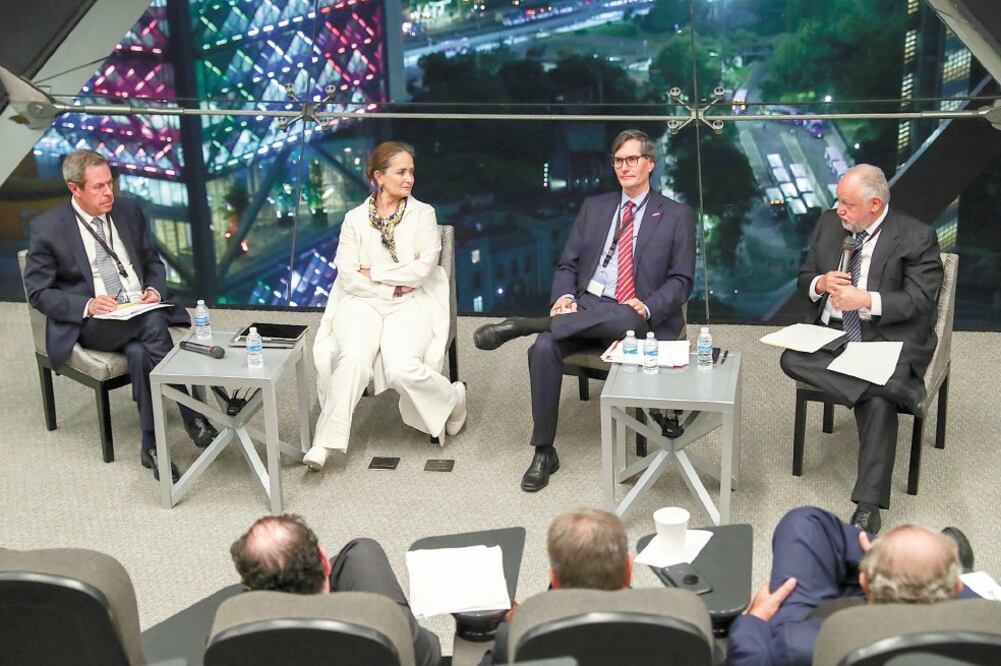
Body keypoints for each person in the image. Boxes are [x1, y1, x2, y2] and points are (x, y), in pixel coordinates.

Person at [473, 129, 695, 492]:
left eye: (632, 160)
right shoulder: (595, 207)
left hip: (640, 311)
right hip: (590, 304)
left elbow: (681, 281)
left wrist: (649, 304)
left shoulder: (675, 214)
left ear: (650, 163)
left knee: (626, 316)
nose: (624, 167)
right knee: (543, 348)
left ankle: (526, 324)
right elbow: (568, 266)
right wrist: (563, 298)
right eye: (618, 161)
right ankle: (544, 450)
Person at [23, 149, 217, 481]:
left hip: (141, 306)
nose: (108, 192)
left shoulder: (128, 210)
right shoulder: (48, 228)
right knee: (153, 325)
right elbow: (40, 293)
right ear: (75, 189)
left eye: (110, 183)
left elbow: (152, 260)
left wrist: (154, 290)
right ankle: (193, 416)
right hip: (94, 320)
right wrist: (87, 305)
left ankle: (151, 446)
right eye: (98, 187)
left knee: (142, 351)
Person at [780, 164, 943, 534]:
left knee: (877, 401)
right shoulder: (829, 224)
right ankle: (899, 389)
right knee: (790, 358)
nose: (839, 210)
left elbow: (919, 301)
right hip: (831, 335)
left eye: (847, 204)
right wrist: (820, 283)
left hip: (883, 337)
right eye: (837, 201)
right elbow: (804, 277)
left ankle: (867, 507)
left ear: (874, 204)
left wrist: (866, 298)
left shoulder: (917, 237)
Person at [308, 141, 466, 470]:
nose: (409, 179)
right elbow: (348, 274)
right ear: (379, 177)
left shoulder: (424, 214)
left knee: (400, 368)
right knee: (353, 359)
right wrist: (389, 288)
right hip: (362, 301)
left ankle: (453, 399)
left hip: (410, 301)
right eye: (401, 172)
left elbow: (422, 270)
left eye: (412, 172)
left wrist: (377, 272)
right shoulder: (354, 219)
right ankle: (324, 442)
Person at [725, 506, 977, 666]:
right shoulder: (984, 629)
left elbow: (748, 659)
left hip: (815, 621)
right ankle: (919, 564)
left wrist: (753, 621)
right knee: (806, 523)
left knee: (804, 523)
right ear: (957, 586)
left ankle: (885, 558)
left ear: (865, 582)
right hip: (932, 615)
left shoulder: (797, 644)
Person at [230, 514, 441, 666]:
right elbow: (431, 653)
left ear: (255, 592)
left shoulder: (230, 644)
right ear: (324, 561)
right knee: (361, 551)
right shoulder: (388, 628)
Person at [479, 508, 632, 665]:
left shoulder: (514, 638)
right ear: (629, 570)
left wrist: (523, 620)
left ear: (554, 580)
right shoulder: (657, 615)